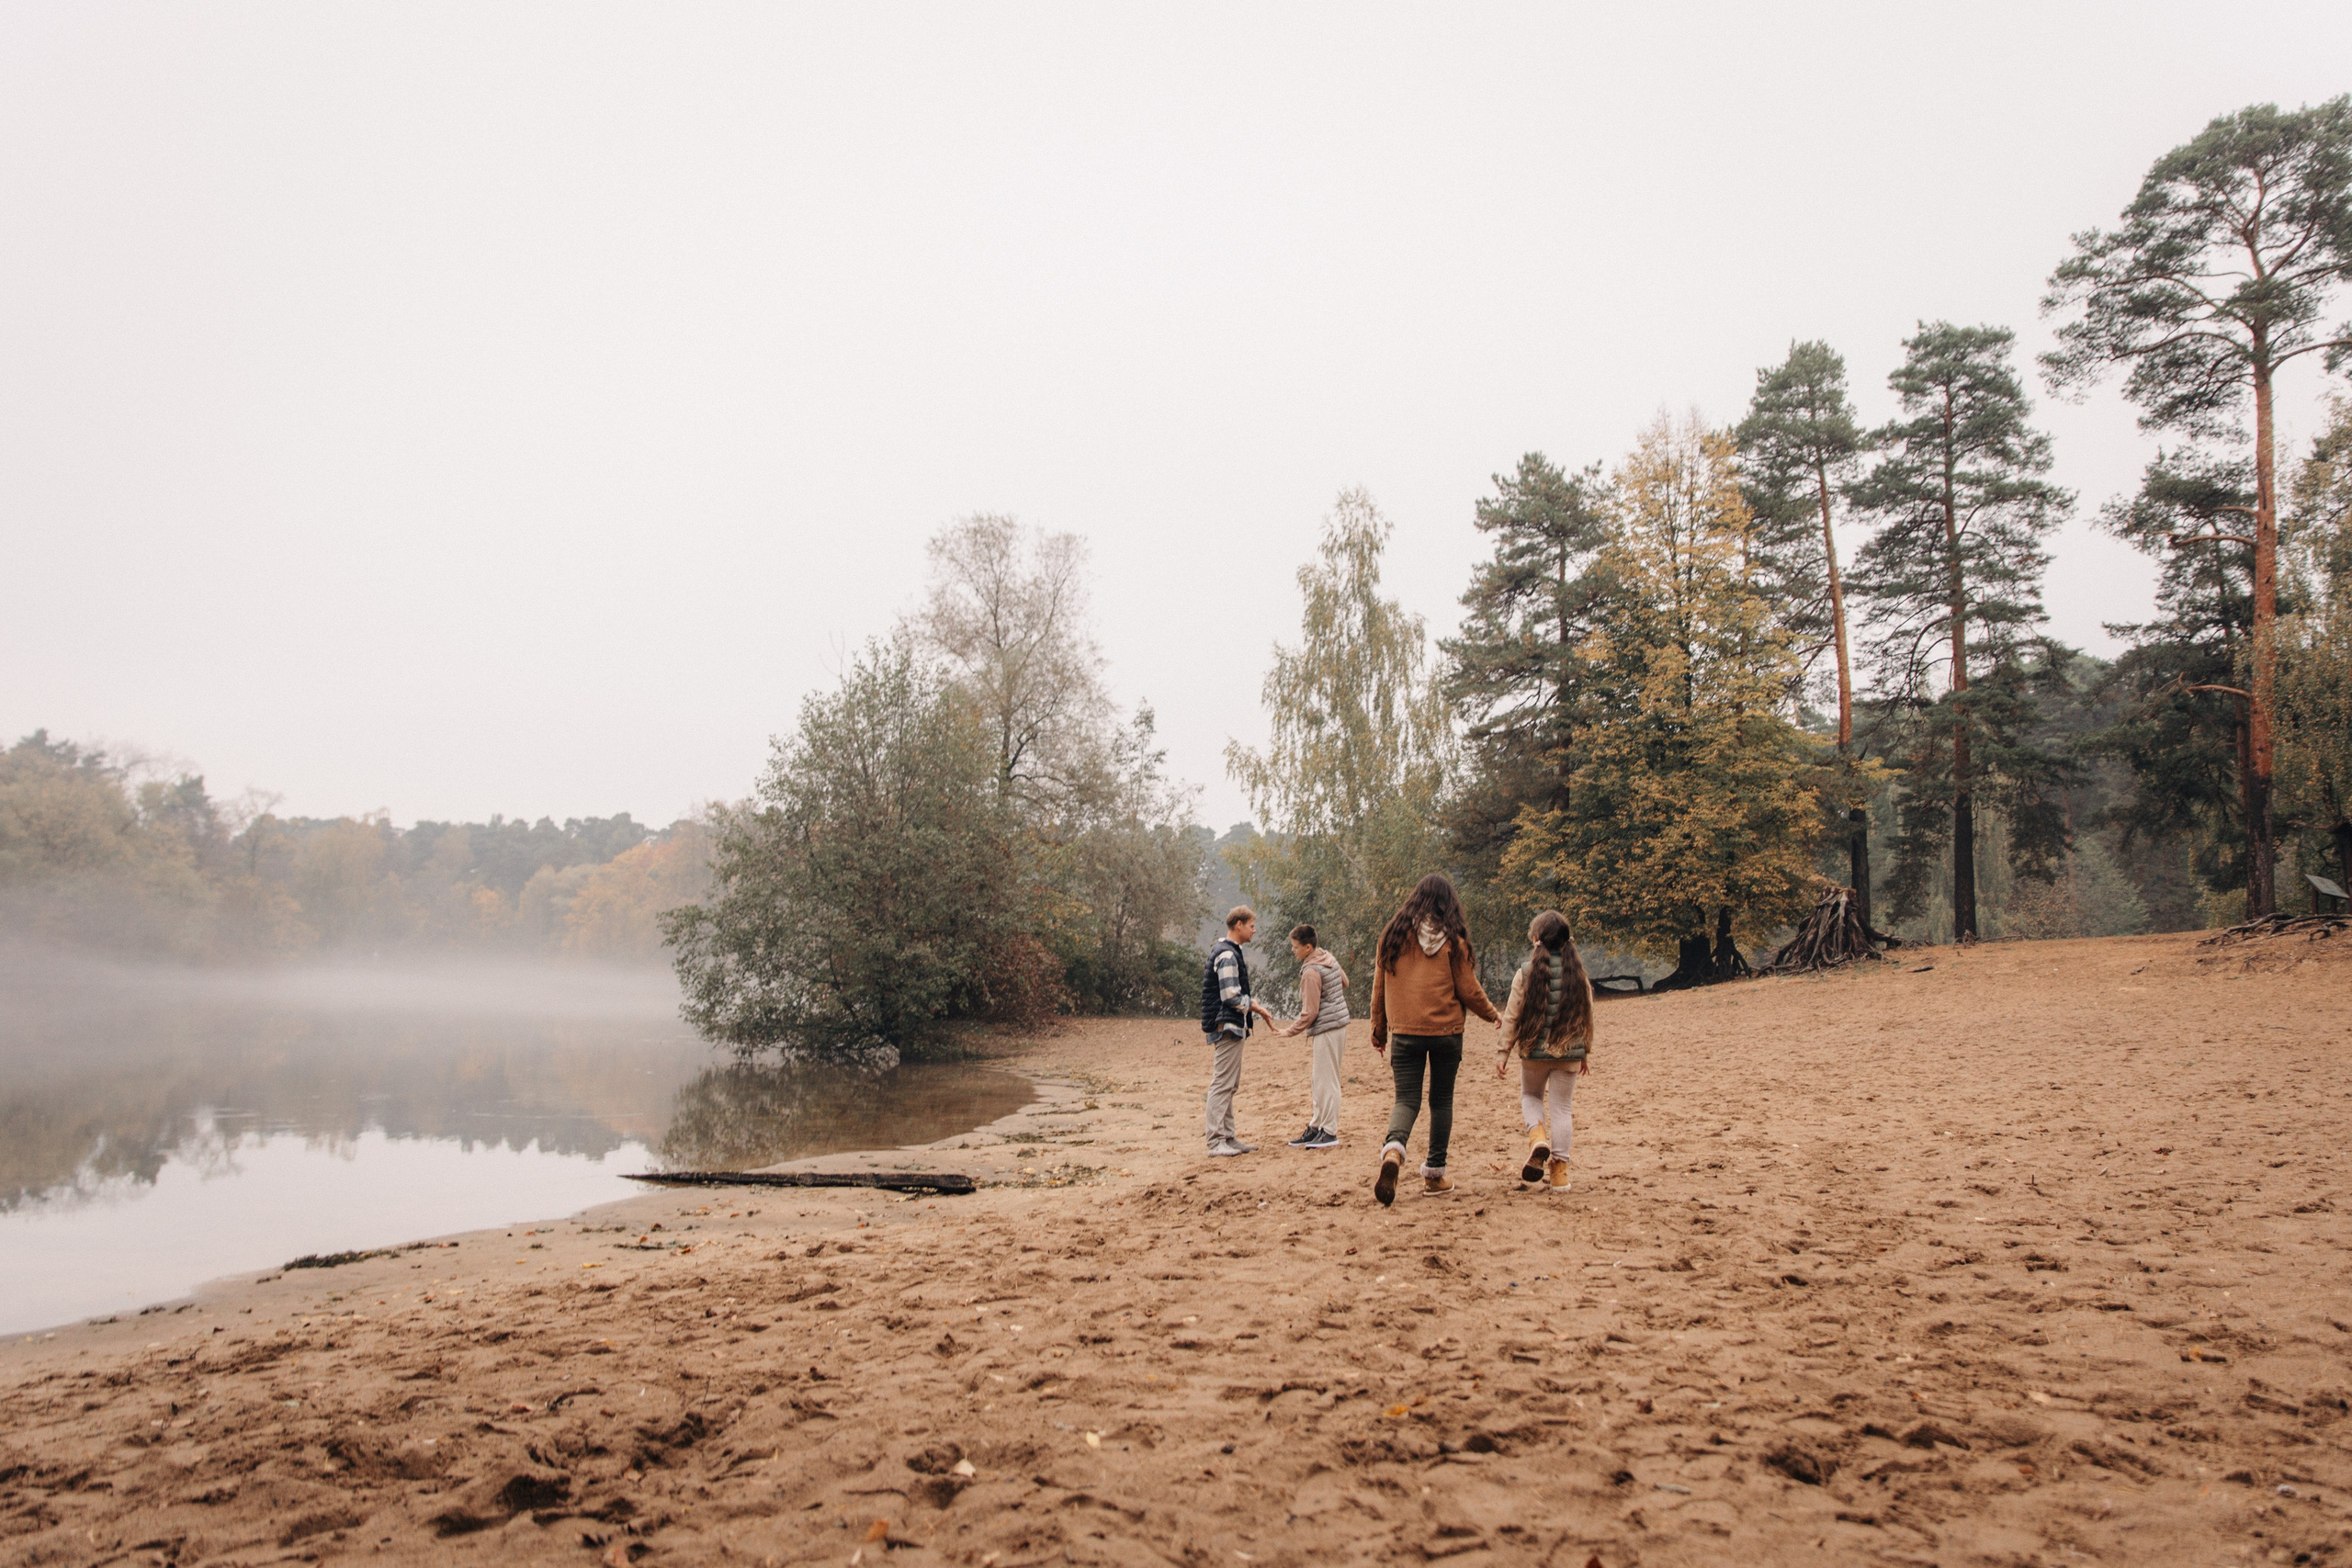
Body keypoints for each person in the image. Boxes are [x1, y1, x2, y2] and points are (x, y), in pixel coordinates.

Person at [1368, 874, 1498, 1205]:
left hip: (1405, 1033)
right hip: (1446, 1034)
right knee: (1441, 1102)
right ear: (1447, 903)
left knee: (1405, 1101)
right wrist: (1492, 1014)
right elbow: (1468, 989)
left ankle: (1394, 1152)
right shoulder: (1454, 939)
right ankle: (1435, 1175)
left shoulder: (1392, 937)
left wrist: (1378, 1030)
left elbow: (1379, 989)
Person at [1492, 909, 1595, 1190]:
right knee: (1562, 1109)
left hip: (1534, 1054)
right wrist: (1584, 1050)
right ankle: (1559, 1174)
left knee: (1530, 1096)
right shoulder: (1578, 974)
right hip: (1569, 1054)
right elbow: (1588, 1015)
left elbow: (1512, 1016)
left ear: (1536, 939)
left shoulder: (1525, 972)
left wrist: (1503, 1052)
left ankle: (1538, 1138)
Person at [1199, 905, 1274, 1157]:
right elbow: (1230, 995)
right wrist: (1255, 1006)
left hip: (1232, 1024)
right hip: (1227, 1025)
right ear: (1239, 925)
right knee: (1222, 1083)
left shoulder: (1230, 952)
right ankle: (1215, 1141)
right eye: (1252, 925)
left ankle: (1228, 1138)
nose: (1255, 930)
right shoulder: (1228, 955)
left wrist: (1253, 1008)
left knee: (1229, 1084)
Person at [1273, 924, 1348, 1149]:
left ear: (1307, 947)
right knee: (1319, 1080)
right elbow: (1344, 981)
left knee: (1327, 1082)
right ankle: (1316, 1126)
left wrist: (1289, 1031)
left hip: (1327, 1028)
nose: (1293, 950)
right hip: (1336, 1025)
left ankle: (1330, 1131)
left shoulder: (1311, 972)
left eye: (1295, 947)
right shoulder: (1328, 957)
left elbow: (1310, 1012)